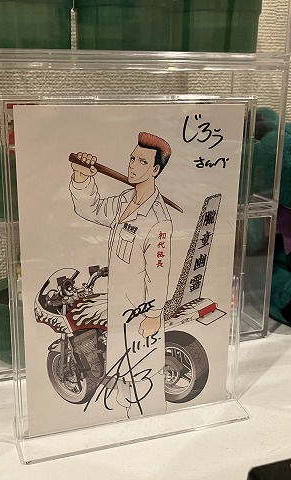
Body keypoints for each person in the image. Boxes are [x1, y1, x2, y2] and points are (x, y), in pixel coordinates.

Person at [69, 132, 172, 417]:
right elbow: (91, 209)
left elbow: (159, 272)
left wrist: (154, 315)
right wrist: (82, 177)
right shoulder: (125, 200)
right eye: (132, 158)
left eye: (142, 161)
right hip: (119, 307)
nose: (133, 165)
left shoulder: (158, 219)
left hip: (141, 312)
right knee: (123, 376)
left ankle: (148, 421)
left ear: (155, 170)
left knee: (143, 379)